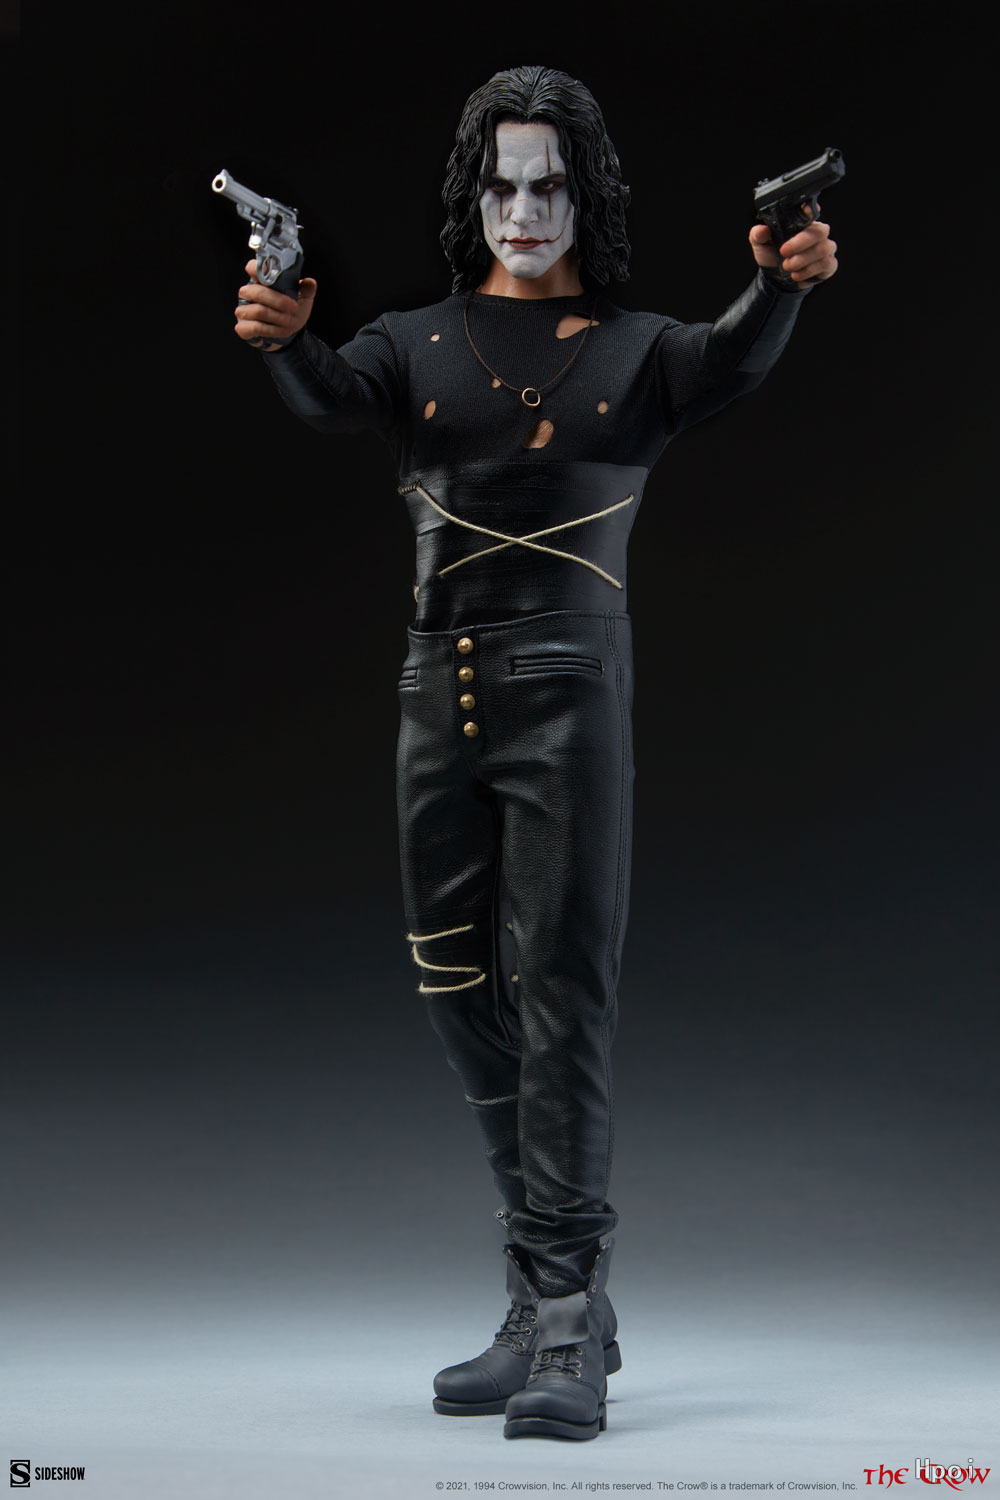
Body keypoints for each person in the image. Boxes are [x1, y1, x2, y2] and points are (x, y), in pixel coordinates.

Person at [230, 64, 838, 1442]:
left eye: (549, 184)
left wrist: (784, 278)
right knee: (456, 984)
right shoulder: (413, 343)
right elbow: (330, 395)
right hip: (432, 693)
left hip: (571, 693)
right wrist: (281, 331)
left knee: (562, 990)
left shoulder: (638, 353)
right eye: (502, 184)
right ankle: (551, 1289)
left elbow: (733, 354)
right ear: (473, 195)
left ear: (586, 195)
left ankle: (565, 1315)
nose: (523, 209)